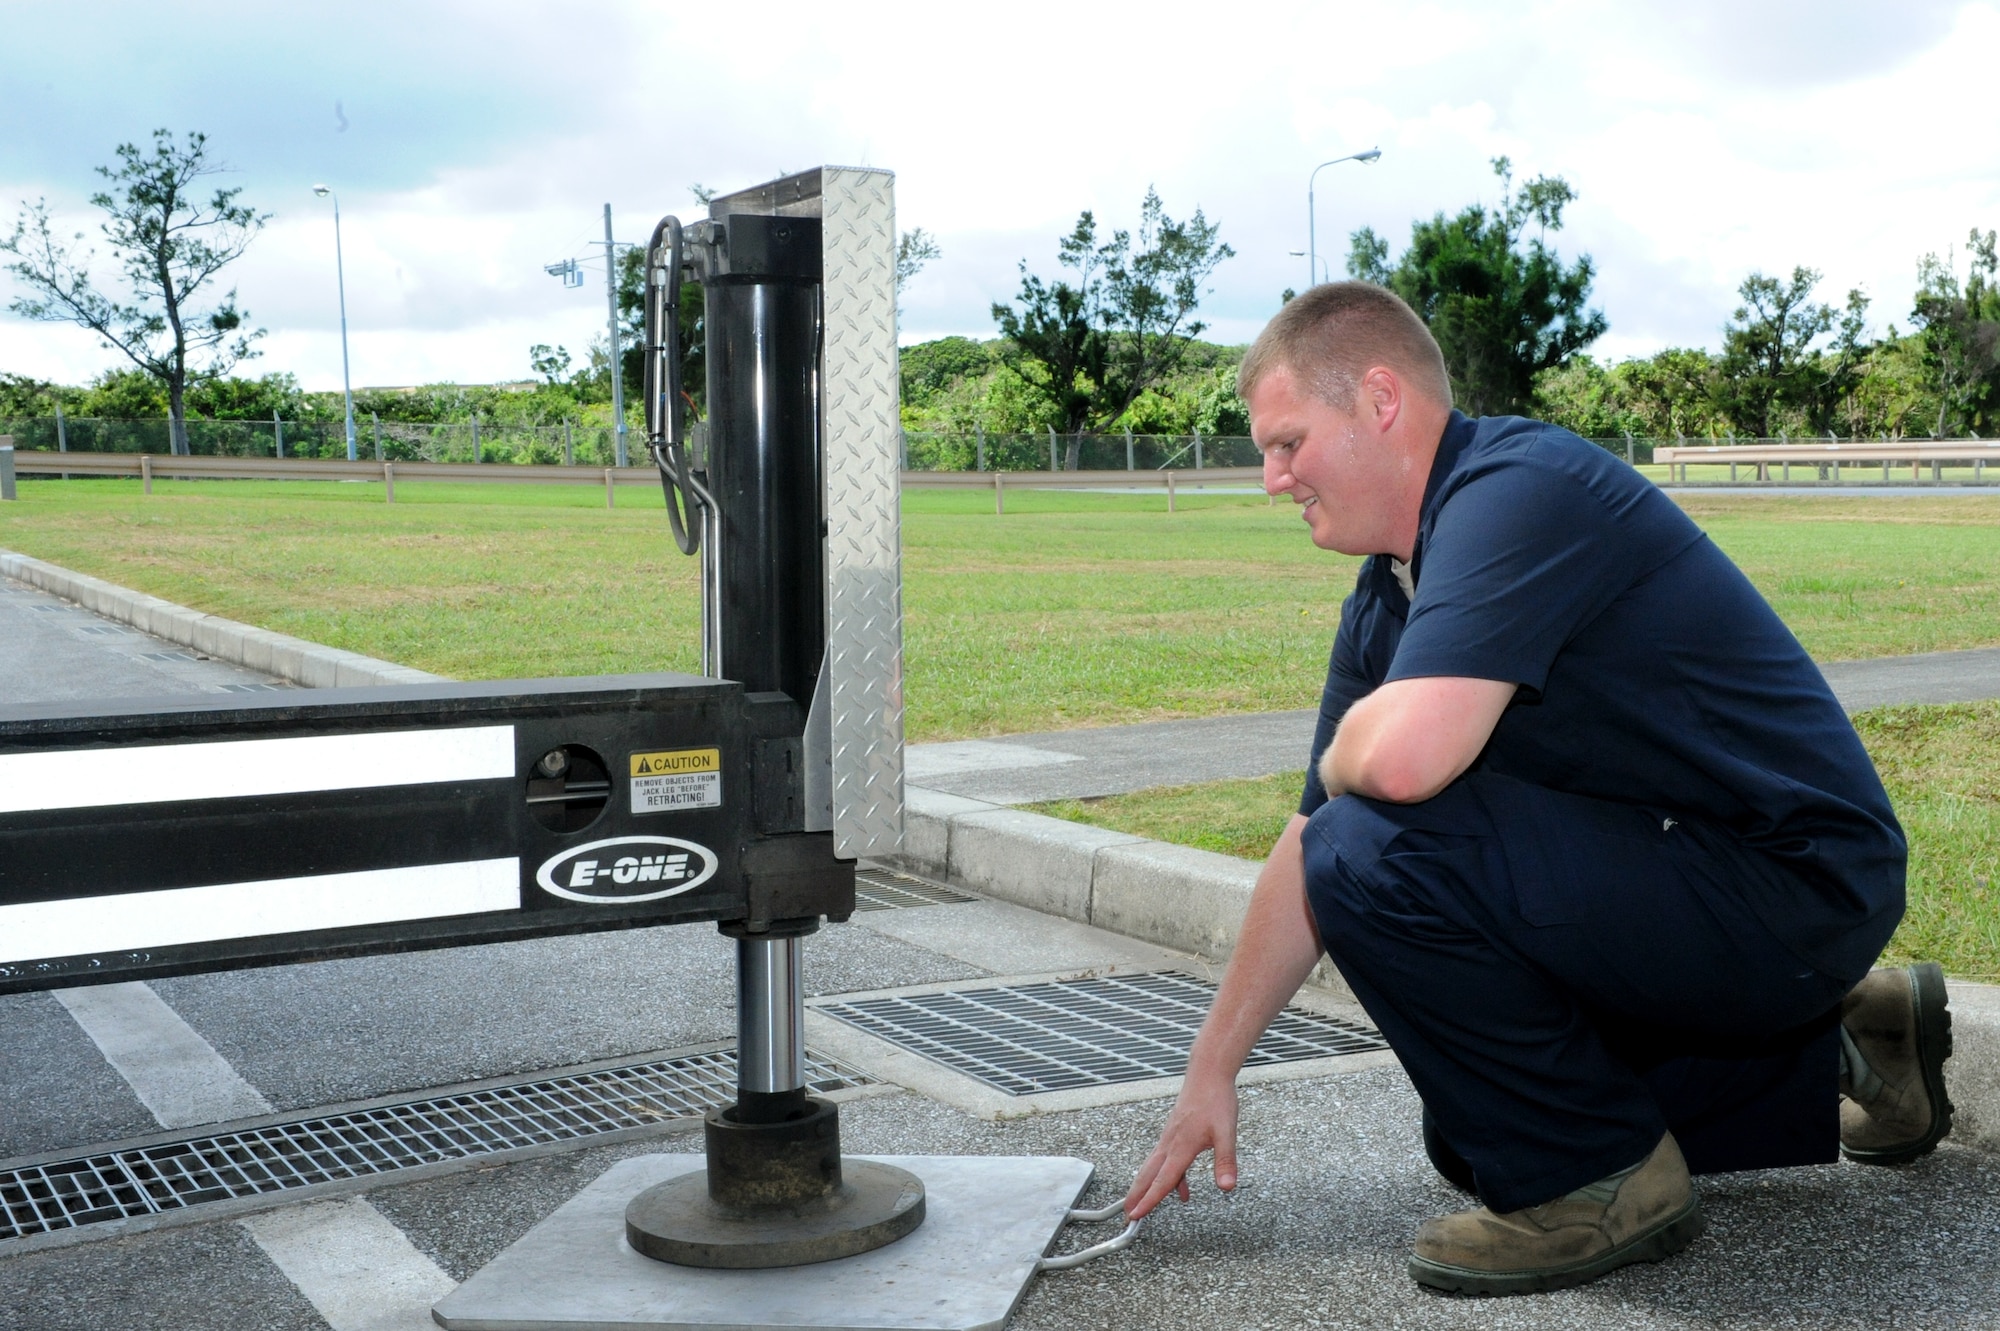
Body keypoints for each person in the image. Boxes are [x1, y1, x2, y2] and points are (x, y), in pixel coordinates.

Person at [1122, 282, 1953, 1296]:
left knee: (1375, 855)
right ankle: (1846, 1038)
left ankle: (1608, 1184)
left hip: (1795, 876)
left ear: (1378, 400)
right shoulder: (1390, 590)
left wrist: (1348, 751)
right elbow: (1301, 851)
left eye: (1287, 441)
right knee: (1478, 1130)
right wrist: (1210, 1069)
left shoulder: (1517, 489)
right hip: (1704, 878)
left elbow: (1390, 770)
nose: (1271, 476)